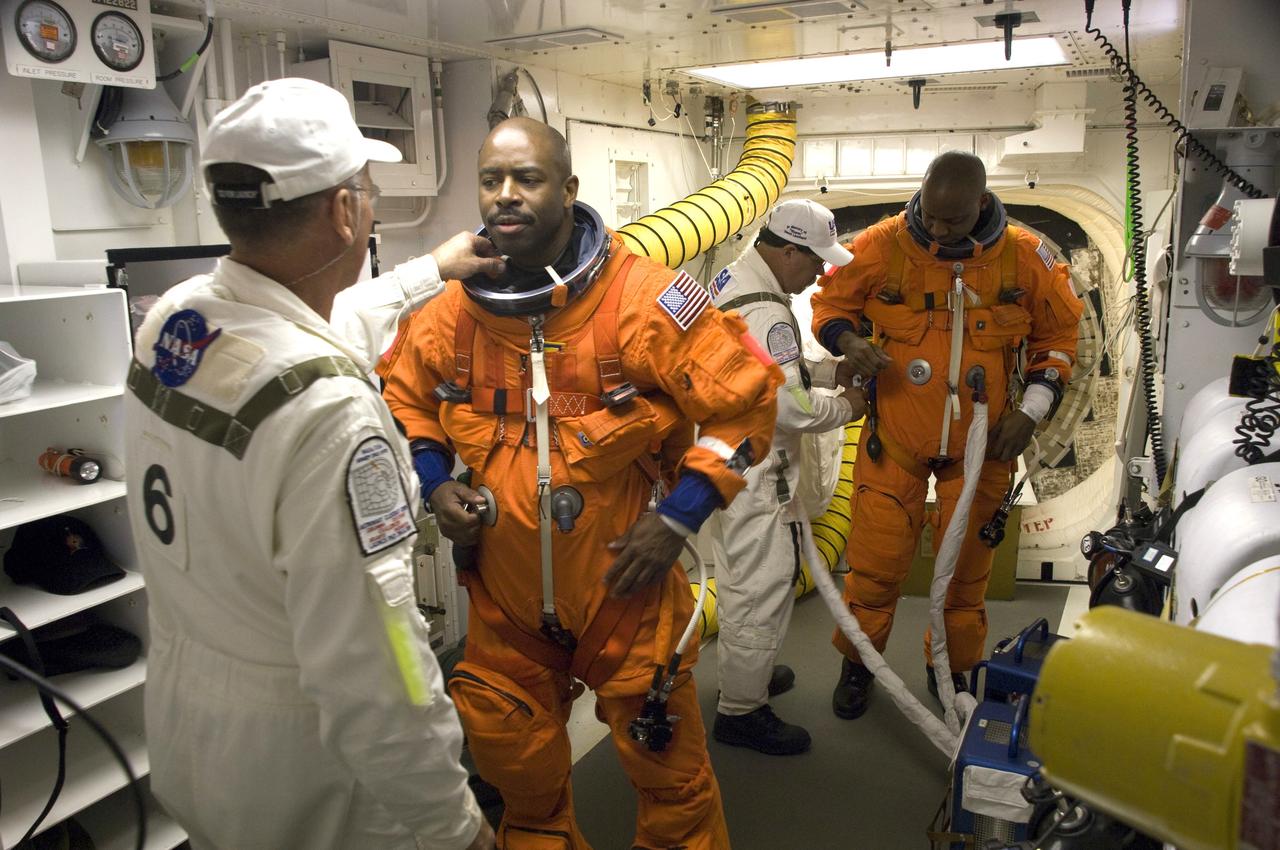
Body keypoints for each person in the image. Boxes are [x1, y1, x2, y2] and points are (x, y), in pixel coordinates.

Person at [380, 117, 782, 849]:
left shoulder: (645, 300)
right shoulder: (452, 317)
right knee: (522, 790)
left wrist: (680, 517)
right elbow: (404, 399)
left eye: (527, 178)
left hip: (625, 593)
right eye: (491, 180)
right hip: (505, 607)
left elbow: (747, 403)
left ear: (567, 189)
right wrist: (434, 482)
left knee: (675, 790)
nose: (505, 195)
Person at [123, 78, 503, 850]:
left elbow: (307, 335)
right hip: (315, 788)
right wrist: (456, 828)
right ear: (344, 211)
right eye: (366, 191)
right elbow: (381, 671)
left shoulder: (176, 320)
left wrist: (431, 270)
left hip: (195, 743)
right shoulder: (332, 417)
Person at [811, 151, 1082, 720]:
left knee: (965, 579)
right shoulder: (882, 245)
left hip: (982, 449)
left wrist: (1032, 411)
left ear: (981, 203)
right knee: (875, 569)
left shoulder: (1024, 257)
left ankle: (951, 670)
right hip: (895, 441)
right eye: (930, 216)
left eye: (952, 220)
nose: (936, 230)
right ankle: (858, 664)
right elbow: (830, 305)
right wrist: (848, 342)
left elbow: (1059, 339)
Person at [706, 199, 865, 755]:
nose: (820, 272)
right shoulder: (768, 311)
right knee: (763, 585)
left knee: (740, 581)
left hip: (725, 461)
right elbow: (790, 407)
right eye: (816, 260)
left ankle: (744, 676)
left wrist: (830, 368)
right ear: (790, 250)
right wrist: (847, 404)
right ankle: (741, 711)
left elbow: (770, 370)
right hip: (757, 472)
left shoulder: (736, 280)